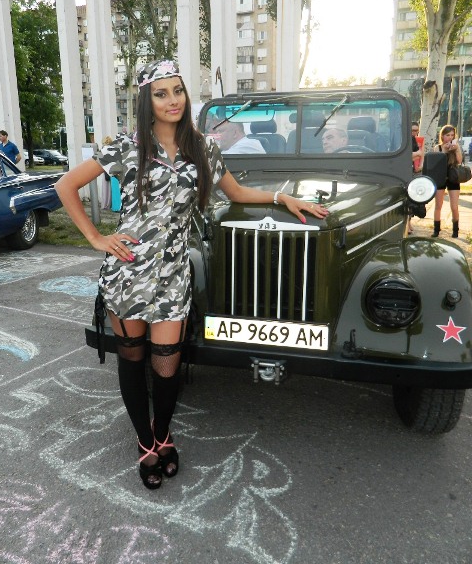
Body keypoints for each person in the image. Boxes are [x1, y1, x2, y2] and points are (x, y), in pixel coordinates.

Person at [55, 59, 329, 491]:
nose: (173, 100)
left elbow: (236, 192)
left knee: (167, 364)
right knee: (132, 361)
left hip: (172, 276)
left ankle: (163, 433)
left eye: (178, 90)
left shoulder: (203, 149)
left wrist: (282, 198)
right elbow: (65, 186)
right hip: (128, 273)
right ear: (146, 100)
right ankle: (145, 443)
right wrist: (96, 237)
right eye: (161, 93)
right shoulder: (127, 146)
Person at [432, 124, 462, 238]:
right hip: (440, 177)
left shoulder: (456, 147)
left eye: (452, 135)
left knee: (454, 206)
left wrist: (456, 149)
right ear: (442, 136)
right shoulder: (438, 148)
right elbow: (437, 163)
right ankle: (436, 230)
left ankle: (455, 230)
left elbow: (459, 161)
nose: (450, 137)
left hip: (453, 177)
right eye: (447, 135)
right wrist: (444, 150)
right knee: (438, 205)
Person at [408, 121, 424, 234]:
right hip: (406, 171)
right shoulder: (404, 140)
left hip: (414, 170)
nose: (415, 133)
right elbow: (407, 156)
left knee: (413, 198)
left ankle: (409, 222)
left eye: (416, 131)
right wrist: (414, 155)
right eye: (413, 130)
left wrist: (416, 158)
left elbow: (420, 154)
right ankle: (407, 223)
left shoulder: (414, 139)